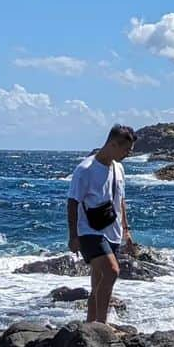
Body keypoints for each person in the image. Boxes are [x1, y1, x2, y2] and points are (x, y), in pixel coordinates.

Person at [67, 125, 137, 325]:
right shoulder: (85, 170)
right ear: (113, 144)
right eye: (126, 150)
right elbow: (72, 202)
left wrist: (126, 231)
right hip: (89, 231)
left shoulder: (119, 168)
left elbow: (120, 199)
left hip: (112, 231)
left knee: (99, 283)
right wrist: (73, 236)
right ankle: (102, 325)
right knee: (112, 271)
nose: (127, 155)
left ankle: (90, 326)